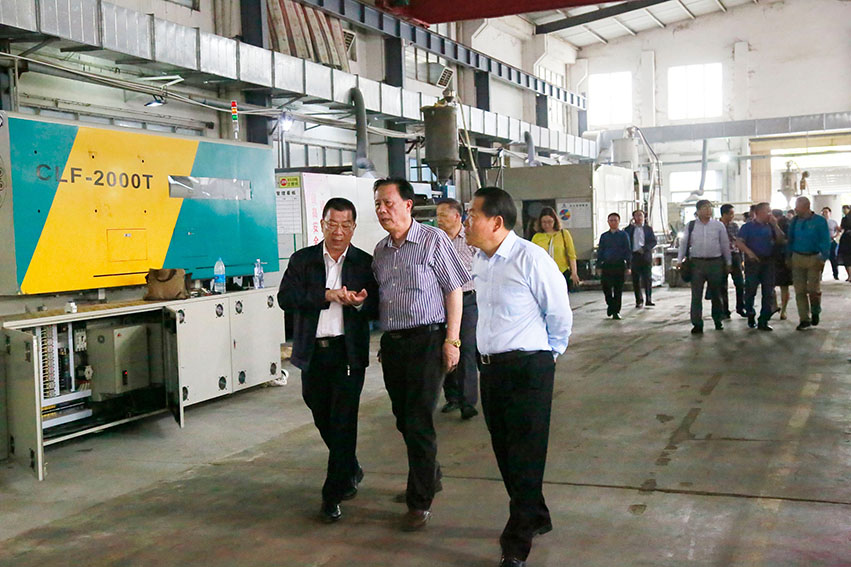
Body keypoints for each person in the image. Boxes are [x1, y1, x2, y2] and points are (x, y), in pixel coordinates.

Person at [464, 186, 572, 567]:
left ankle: (516, 542)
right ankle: (536, 514)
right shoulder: (479, 260)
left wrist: (549, 354)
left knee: (526, 455)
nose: (466, 221)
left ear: (496, 222)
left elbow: (559, 313)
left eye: (472, 215)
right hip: (491, 369)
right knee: (506, 452)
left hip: (529, 368)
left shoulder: (531, 258)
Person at [372, 178, 469, 531]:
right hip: (394, 344)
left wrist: (452, 341)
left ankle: (420, 500)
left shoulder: (433, 240)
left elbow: (454, 290)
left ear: (408, 205)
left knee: (418, 419)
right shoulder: (381, 250)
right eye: (378, 204)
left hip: (428, 340)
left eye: (388, 203)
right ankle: (430, 475)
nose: (382, 210)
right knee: (403, 418)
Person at [276, 198, 379, 523]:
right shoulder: (303, 260)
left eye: (345, 225)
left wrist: (359, 303)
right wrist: (326, 295)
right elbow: (285, 298)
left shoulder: (364, 263)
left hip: (347, 353)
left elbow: (377, 305)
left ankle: (332, 494)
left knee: (343, 421)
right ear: (322, 224)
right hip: (312, 352)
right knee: (320, 412)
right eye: (332, 224)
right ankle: (350, 467)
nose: (338, 231)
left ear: (353, 227)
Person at [435, 198, 479, 420]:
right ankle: (452, 397)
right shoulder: (436, 241)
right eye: (437, 216)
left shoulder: (471, 240)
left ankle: (468, 402)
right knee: (444, 348)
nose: (439, 220)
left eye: (443, 215)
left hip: (468, 301)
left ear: (456, 216)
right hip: (441, 303)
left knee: (467, 349)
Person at [677, 200, 731, 335]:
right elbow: (684, 243)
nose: (708, 210)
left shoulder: (718, 225)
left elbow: (725, 244)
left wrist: (728, 262)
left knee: (716, 294)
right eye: (705, 208)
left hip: (715, 262)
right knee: (696, 295)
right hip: (697, 263)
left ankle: (718, 320)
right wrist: (679, 260)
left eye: (709, 208)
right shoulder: (691, 226)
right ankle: (697, 324)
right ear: (698, 211)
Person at [736, 203, 786, 331]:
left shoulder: (771, 226)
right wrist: (749, 253)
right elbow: (739, 242)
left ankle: (764, 320)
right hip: (753, 262)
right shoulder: (747, 227)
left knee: (768, 291)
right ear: (758, 213)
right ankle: (750, 313)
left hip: (768, 261)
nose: (770, 214)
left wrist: (775, 225)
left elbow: (781, 239)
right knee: (750, 290)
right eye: (767, 211)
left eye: (770, 211)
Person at [787, 196, 832, 330]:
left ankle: (815, 310)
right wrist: (788, 256)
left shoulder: (819, 221)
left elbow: (825, 240)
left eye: (798, 207)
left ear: (806, 207)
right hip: (797, 257)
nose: (795, 209)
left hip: (814, 258)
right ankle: (804, 319)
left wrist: (823, 257)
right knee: (799, 290)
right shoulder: (795, 221)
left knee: (813, 289)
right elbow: (790, 239)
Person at [531, 207, 581, 291]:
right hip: (543, 274)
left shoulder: (564, 234)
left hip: (562, 272)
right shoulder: (537, 237)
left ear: (555, 221)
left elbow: (571, 255)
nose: (547, 225)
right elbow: (532, 257)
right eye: (544, 222)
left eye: (550, 222)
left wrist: (574, 272)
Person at [597, 212, 632, 320]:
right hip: (607, 265)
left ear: (619, 222)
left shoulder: (623, 235)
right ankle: (611, 305)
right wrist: (598, 266)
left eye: (615, 220)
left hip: (619, 265)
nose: (613, 222)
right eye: (611, 220)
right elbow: (600, 251)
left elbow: (627, 251)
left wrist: (628, 266)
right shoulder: (604, 236)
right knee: (606, 288)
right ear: (608, 222)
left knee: (618, 289)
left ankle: (616, 311)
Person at [624, 210, 657, 308]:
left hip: (645, 256)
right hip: (634, 256)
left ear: (644, 217)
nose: (638, 218)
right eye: (636, 216)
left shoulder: (648, 229)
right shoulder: (628, 229)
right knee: (636, 279)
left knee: (647, 278)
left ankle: (648, 299)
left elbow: (653, 242)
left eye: (640, 215)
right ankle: (639, 300)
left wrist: (645, 249)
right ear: (633, 217)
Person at [718, 204, 745, 318]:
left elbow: (739, 240)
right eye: (731, 214)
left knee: (740, 283)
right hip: (721, 257)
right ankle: (724, 310)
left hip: (735, 255)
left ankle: (740, 307)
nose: (732, 216)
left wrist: (741, 258)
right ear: (724, 214)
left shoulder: (734, 226)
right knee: (722, 285)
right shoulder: (716, 226)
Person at [771, 209, 794, 319]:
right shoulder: (768, 225)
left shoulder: (786, 225)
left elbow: (786, 240)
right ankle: (775, 306)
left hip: (783, 258)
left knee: (784, 286)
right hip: (772, 258)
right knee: (770, 285)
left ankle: (783, 310)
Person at [821, 207, 841, 280]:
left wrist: (835, 236)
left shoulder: (833, 222)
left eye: (826, 212)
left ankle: (835, 275)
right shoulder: (820, 222)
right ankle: (820, 275)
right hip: (822, 243)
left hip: (831, 242)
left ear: (830, 213)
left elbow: (838, 230)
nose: (825, 213)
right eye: (823, 212)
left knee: (833, 259)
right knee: (821, 259)